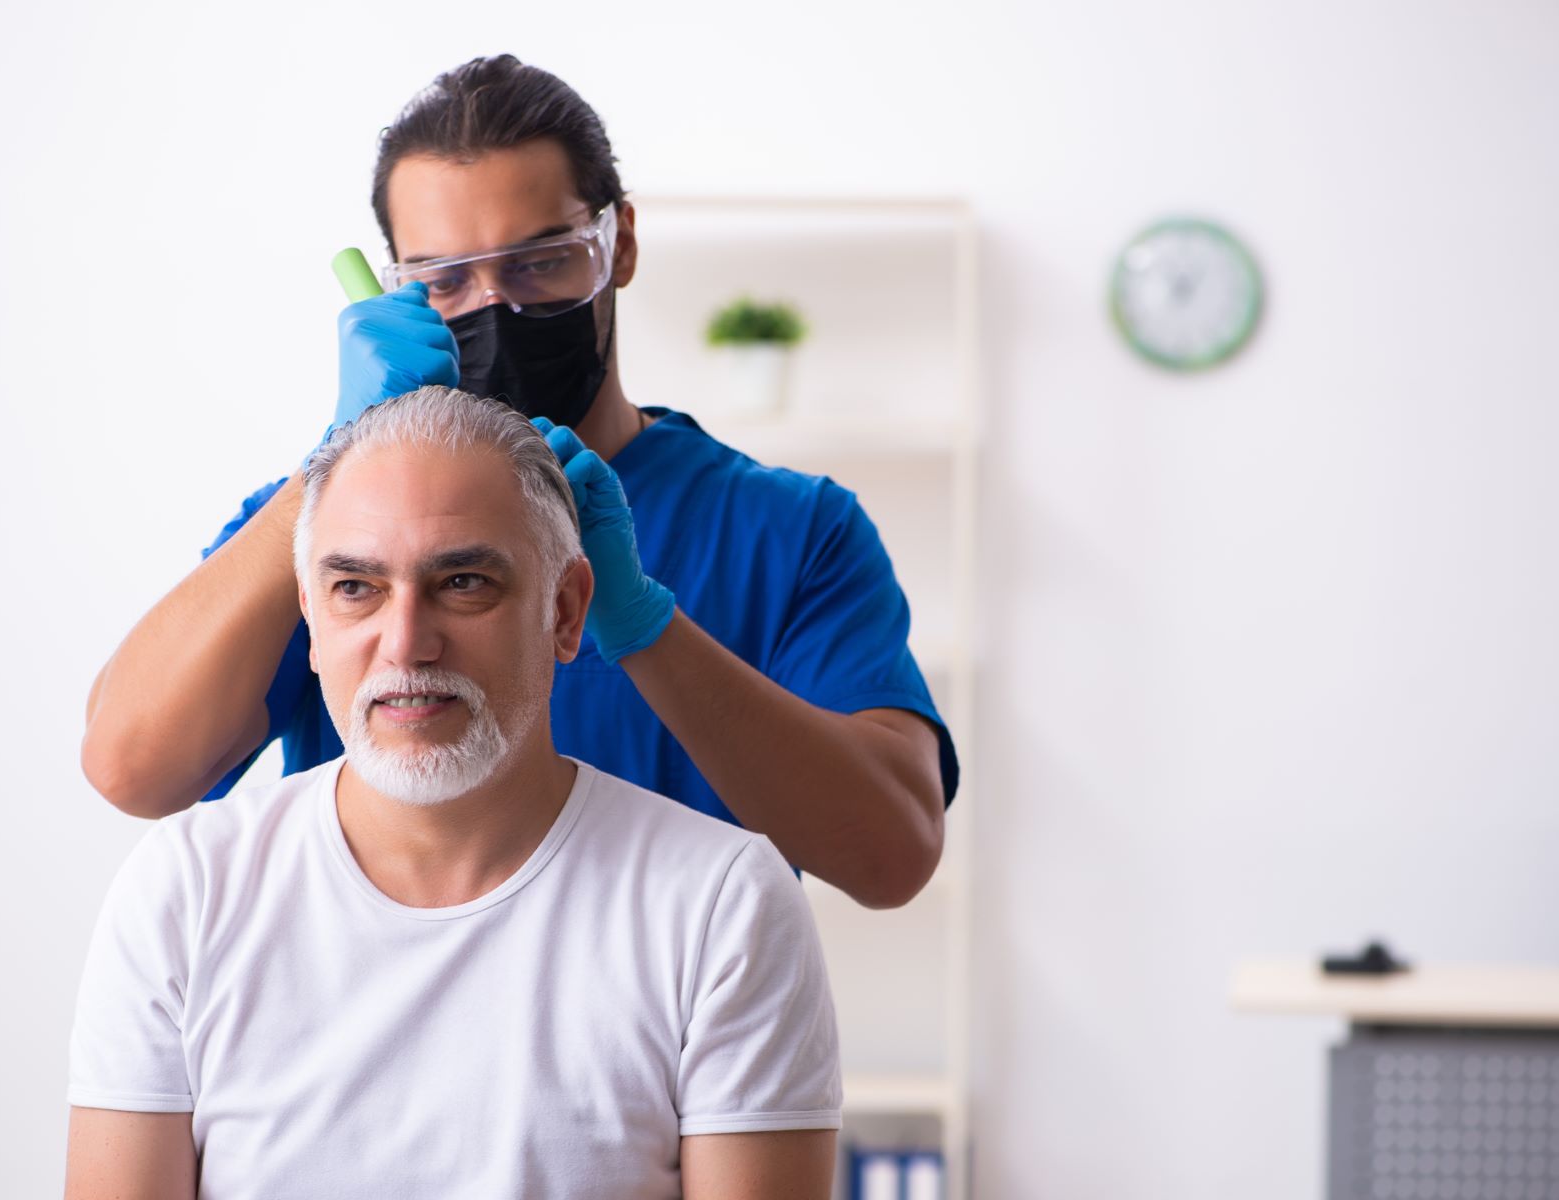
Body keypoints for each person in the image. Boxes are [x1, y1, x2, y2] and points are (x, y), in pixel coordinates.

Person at [81, 54, 958, 909]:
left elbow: (890, 857)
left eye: (540, 263)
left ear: (619, 244)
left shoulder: (792, 530)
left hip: (665, 1036)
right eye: (445, 280)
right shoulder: (336, 526)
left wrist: (645, 625)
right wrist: (330, 464)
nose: (494, 308)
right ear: (397, 292)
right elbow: (132, 767)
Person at [65, 387, 842, 1199]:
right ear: (311, 617)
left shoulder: (719, 905)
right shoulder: (187, 893)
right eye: (356, 587)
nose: (405, 643)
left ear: (565, 610)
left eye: (463, 581)